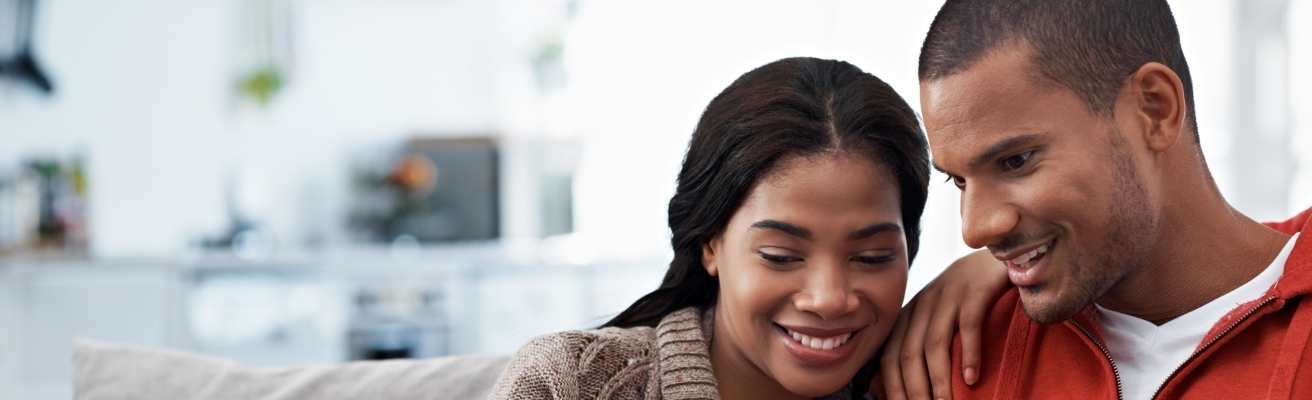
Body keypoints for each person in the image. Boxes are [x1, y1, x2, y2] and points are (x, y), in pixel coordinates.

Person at [877, 0, 1312, 399]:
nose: (975, 231)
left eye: (1016, 161)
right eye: (960, 181)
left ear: (1154, 109)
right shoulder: (945, 361)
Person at [488, 57, 931, 399]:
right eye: (780, 256)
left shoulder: (928, 381)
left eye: (872, 257)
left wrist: (989, 270)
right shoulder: (570, 381)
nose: (829, 299)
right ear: (710, 243)